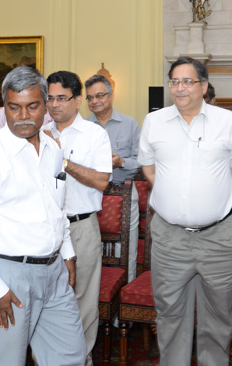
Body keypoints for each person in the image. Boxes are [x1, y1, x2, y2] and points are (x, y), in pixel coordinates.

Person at [0, 66, 86, 366]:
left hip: (54, 273)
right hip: (7, 277)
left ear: (46, 107)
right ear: (4, 107)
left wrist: (67, 254)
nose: (23, 115)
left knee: (71, 358)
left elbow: (56, 206)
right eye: (14, 107)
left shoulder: (53, 148)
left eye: (32, 106)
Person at [138, 56, 232, 366]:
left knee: (218, 317)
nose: (180, 88)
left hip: (219, 239)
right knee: (170, 316)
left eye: (188, 81)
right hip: (170, 239)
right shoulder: (154, 121)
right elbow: (148, 167)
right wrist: (175, 200)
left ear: (204, 86)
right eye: (174, 81)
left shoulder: (226, 121)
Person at [44, 71, 112, 366]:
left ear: (77, 100)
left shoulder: (95, 134)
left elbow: (101, 181)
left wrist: (64, 160)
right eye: (49, 98)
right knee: (45, 298)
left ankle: (81, 359)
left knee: (82, 299)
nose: (54, 105)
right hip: (44, 226)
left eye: (61, 98)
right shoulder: (38, 132)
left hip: (81, 225)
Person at [85, 74, 141, 283]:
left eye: (99, 95)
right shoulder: (83, 126)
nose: (95, 101)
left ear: (111, 95)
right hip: (90, 194)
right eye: (90, 98)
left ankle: (127, 288)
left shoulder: (129, 123)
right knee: (91, 247)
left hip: (124, 193)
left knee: (128, 248)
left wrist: (122, 163)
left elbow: (143, 161)